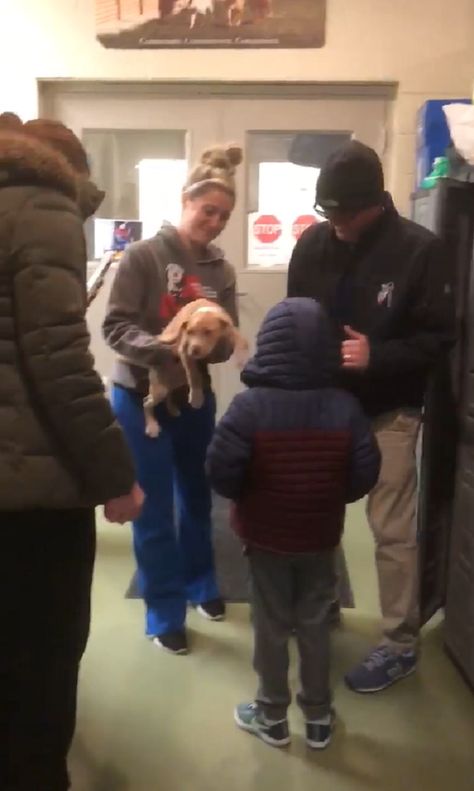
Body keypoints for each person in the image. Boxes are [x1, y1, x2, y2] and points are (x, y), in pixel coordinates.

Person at [0, 113, 142, 791]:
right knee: (43, 662)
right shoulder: (42, 207)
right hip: (34, 498)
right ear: (73, 173)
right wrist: (117, 475)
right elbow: (58, 361)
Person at [287, 140, 455, 693]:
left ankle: (399, 643)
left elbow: (440, 338)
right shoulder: (313, 243)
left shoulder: (420, 250)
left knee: (391, 531)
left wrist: (376, 356)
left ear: (375, 203)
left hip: (389, 412)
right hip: (323, 410)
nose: (334, 224)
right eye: (326, 212)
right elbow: (293, 318)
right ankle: (323, 604)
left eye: (343, 214)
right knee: (316, 517)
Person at [206, 297, 380, 748]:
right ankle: (319, 718)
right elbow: (365, 471)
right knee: (315, 623)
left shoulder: (249, 407)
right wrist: (329, 496)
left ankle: (272, 716)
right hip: (320, 536)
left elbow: (221, 470)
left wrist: (249, 496)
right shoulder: (345, 407)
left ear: (269, 345)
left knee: (271, 625)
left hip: (265, 538)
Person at [103, 143, 243, 655]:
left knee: (199, 497)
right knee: (154, 507)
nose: (215, 221)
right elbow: (115, 327)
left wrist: (224, 342)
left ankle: (201, 583)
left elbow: (226, 338)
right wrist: (164, 349)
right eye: (208, 210)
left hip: (195, 400)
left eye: (224, 216)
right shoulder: (144, 256)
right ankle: (164, 609)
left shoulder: (221, 271)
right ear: (186, 202)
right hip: (140, 398)